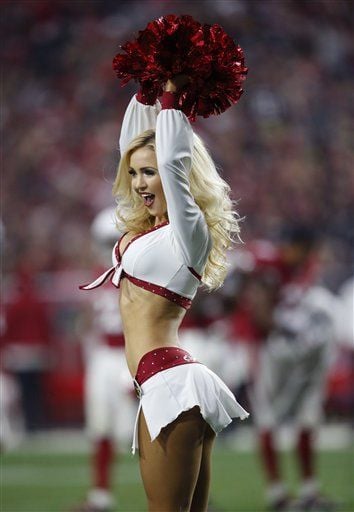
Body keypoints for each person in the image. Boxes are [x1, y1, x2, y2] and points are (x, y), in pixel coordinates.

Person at [80, 75, 249, 511]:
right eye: (134, 173)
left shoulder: (186, 233)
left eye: (148, 173)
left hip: (171, 385)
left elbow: (174, 161)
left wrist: (172, 99)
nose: (138, 183)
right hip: (163, 383)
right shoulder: (148, 229)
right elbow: (130, 144)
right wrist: (145, 90)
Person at [241, 226, 339, 512]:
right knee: (268, 418)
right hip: (268, 351)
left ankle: (309, 492)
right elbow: (258, 310)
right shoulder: (269, 265)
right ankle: (278, 494)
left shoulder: (305, 268)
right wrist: (287, 329)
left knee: (309, 417)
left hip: (300, 356)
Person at [74, 207, 137, 512]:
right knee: (100, 429)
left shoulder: (138, 275)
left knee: (135, 434)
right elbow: (86, 324)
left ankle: (180, 493)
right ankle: (100, 497)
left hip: (129, 354)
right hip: (103, 356)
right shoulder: (99, 276)